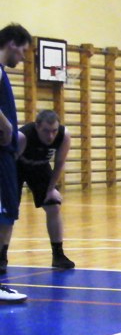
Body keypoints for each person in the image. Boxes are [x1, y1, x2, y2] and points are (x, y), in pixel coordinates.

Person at [11, 110, 76, 270]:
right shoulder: (23, 136)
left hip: (39, 167)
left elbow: (59, 163)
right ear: (37, 126)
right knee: (8, 211)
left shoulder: (64, 136)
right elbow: (9, 163)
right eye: (46, 131)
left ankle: (58, 255)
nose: (50, 136)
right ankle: (1, 256)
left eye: (54, 131)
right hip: (16, 169)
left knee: (53, 206)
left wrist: (51, 189)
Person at [0, 23, 32, 304]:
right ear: (12, 43)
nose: (23, 57)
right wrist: (7, 125)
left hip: (6, 155)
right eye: (23, 51)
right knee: (4, 216)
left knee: (7, 215)